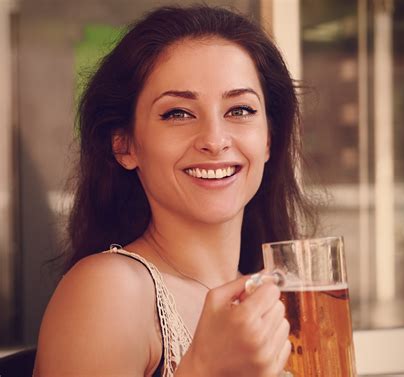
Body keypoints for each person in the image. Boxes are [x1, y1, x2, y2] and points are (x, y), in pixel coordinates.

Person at [34, 5, 317, 377]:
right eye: (177, 113)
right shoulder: (109, 291)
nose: (215, 140)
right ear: (125, 146)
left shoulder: (279, 300)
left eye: (240, 110)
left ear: (269, 138)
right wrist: (203, 368)